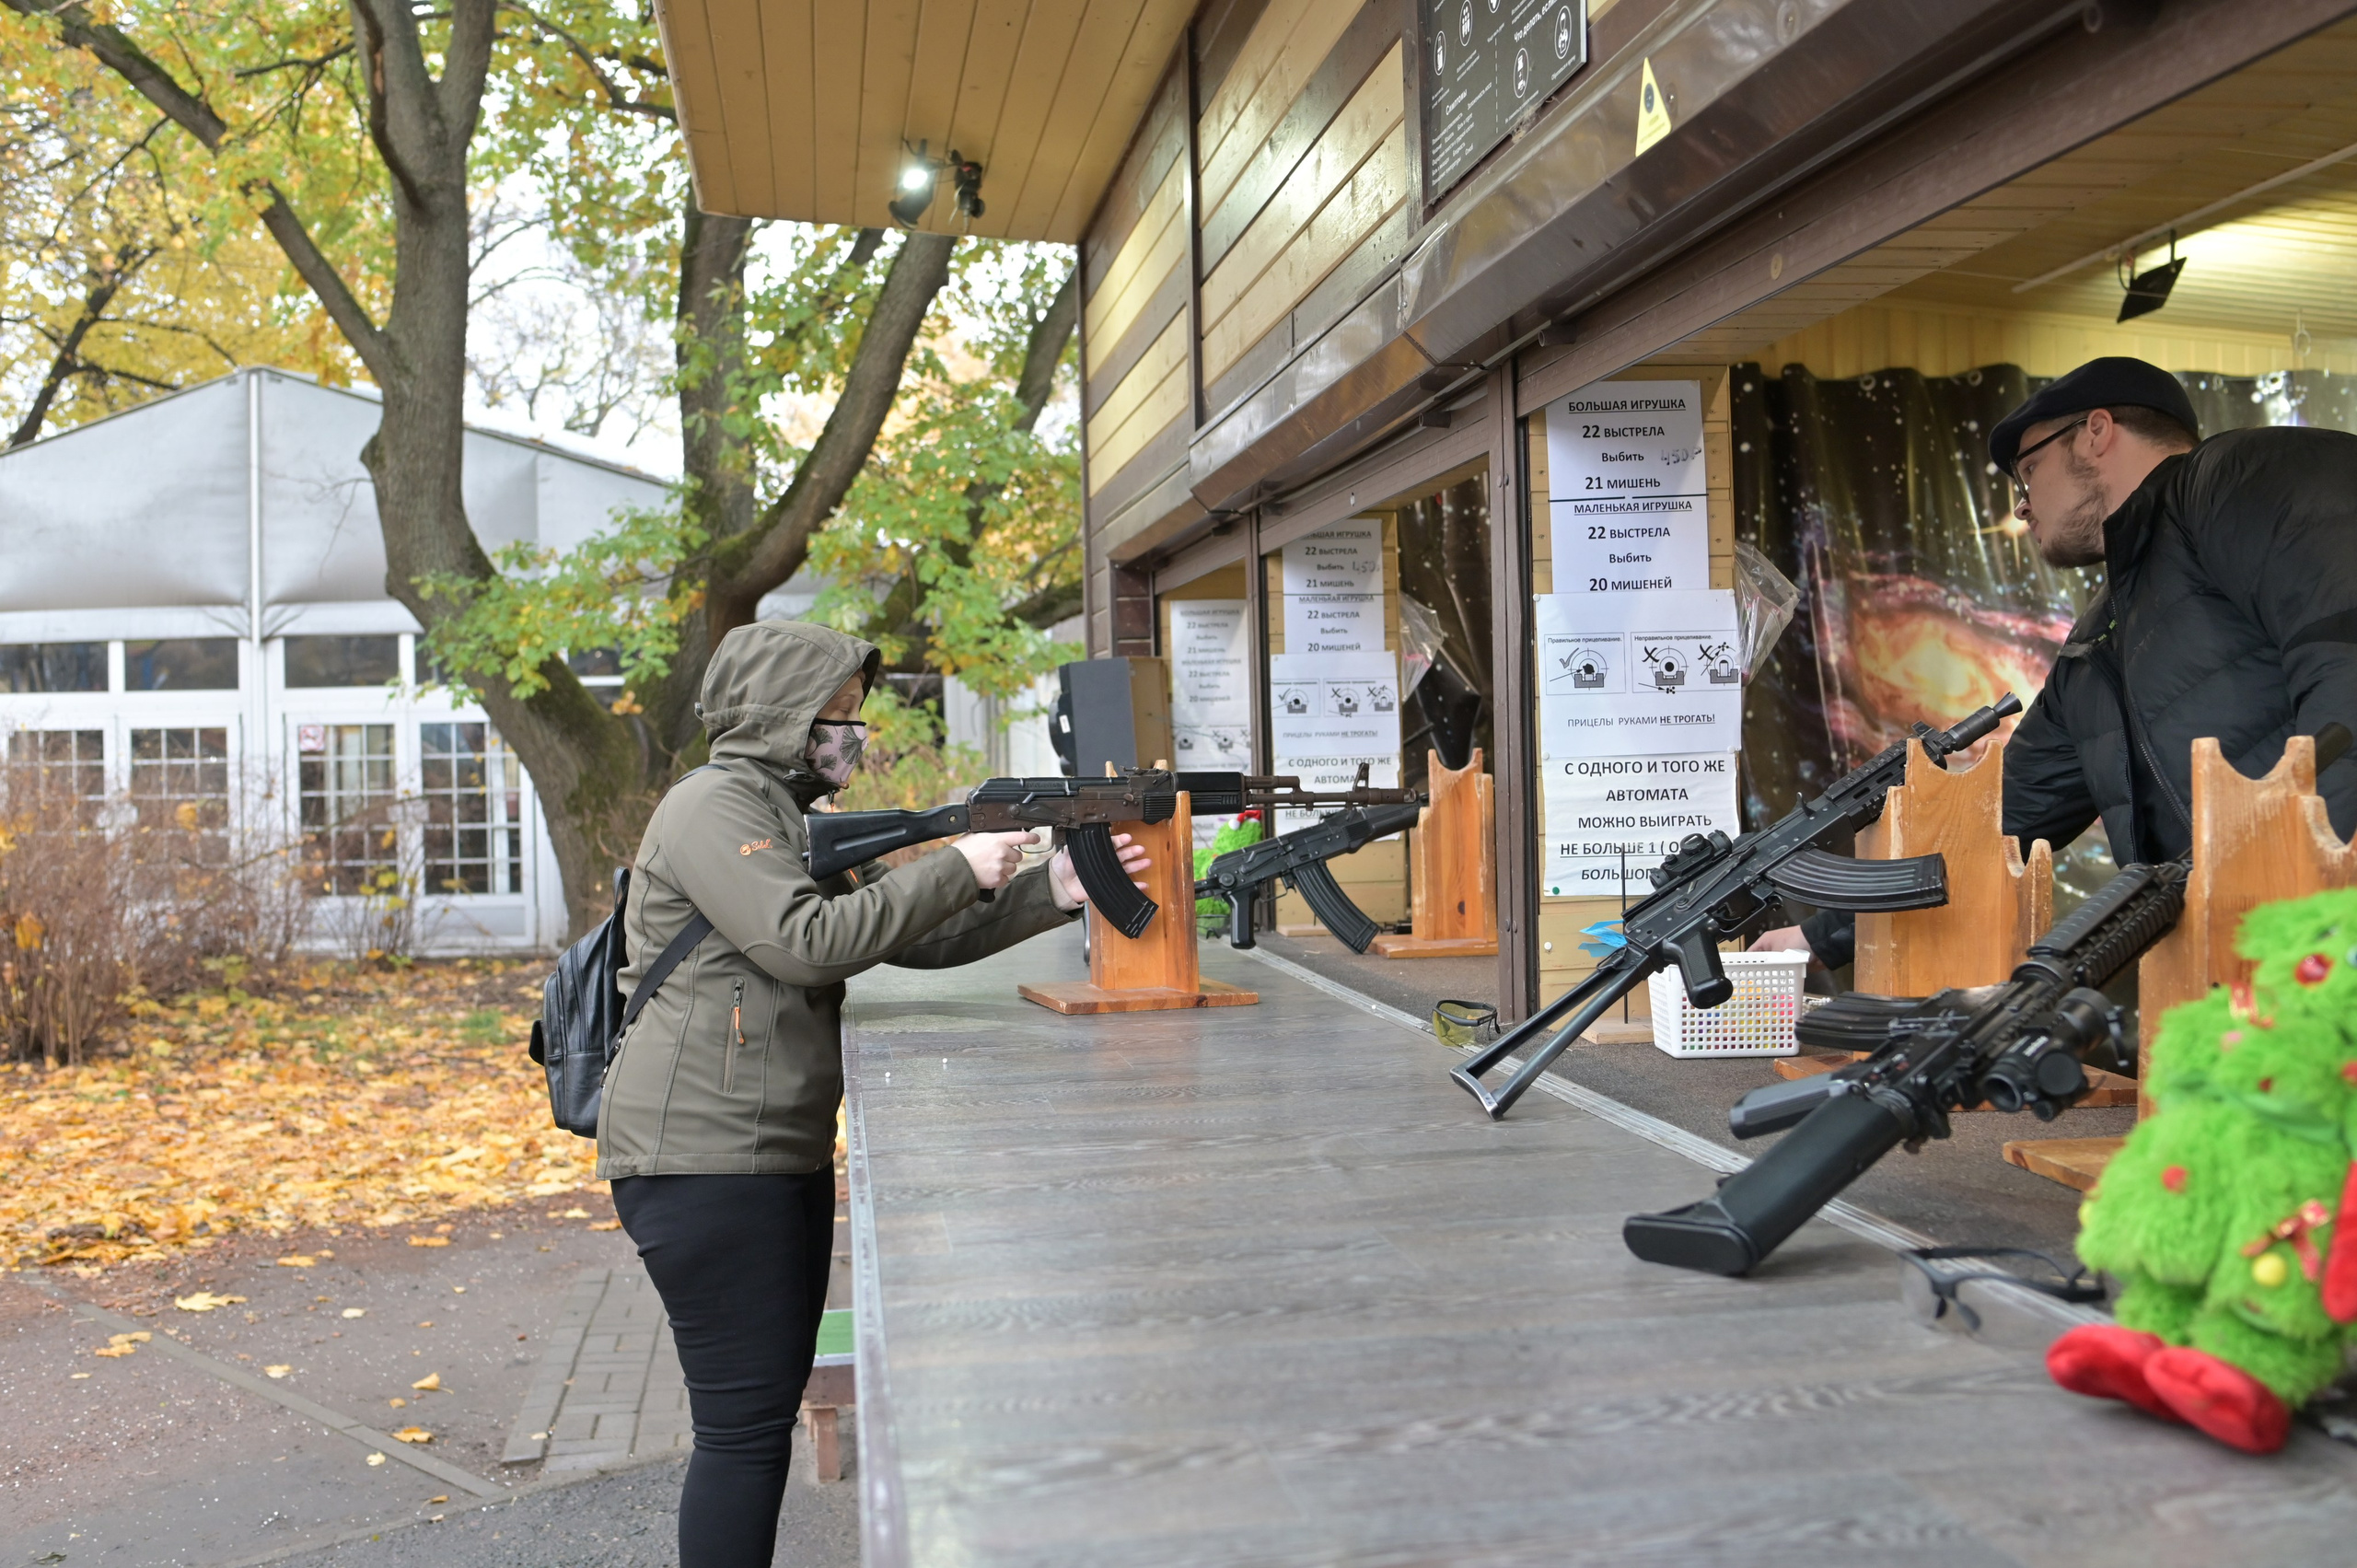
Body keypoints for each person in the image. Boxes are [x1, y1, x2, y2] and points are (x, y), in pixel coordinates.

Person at [595, 621, 1149, 1568]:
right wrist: (953, 863)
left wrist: (1050, 888)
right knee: (742, 1430)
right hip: (704, 1158)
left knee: (760, 1417)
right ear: (780, 714)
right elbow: (804, 941)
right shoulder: (713, 806)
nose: (852, 733)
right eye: (837, 714)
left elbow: (908, 933)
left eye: (853, 713)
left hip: (765, 1148)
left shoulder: (782, 810)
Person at [1756, 355, 2357, 970]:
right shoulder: (2098, 641)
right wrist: (1817, 936)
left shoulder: (2236, 477)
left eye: (2028, 471)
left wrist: (2305, 899)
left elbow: (2345, 670)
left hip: (2320, 939)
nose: (2021, 507)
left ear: (2096, 432)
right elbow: (1999, 825)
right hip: (2246, 962)